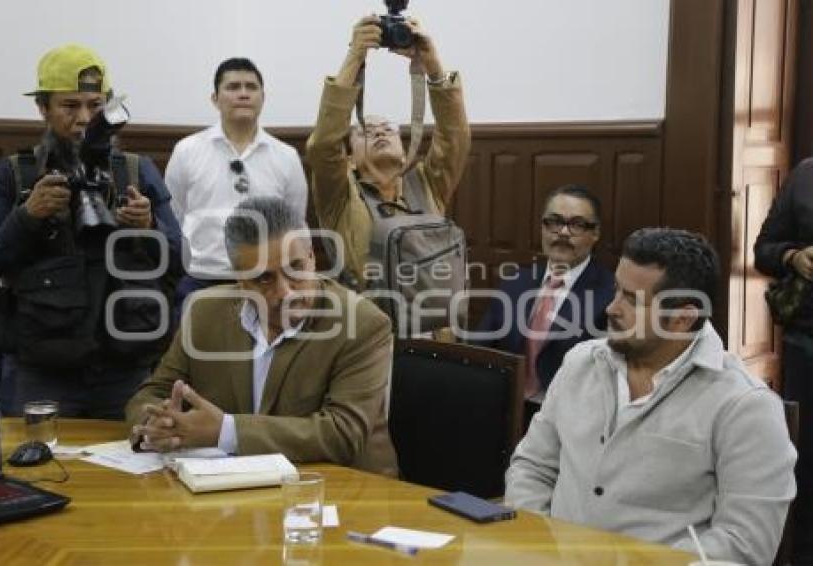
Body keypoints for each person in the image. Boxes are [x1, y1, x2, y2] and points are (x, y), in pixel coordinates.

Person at [505, 227, 796, 566]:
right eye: (617, 290)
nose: (611, 308)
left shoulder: (745, 406)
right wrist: (541, 546)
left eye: (632, 300)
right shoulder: (580, 363)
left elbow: (744, 544)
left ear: (682, 318)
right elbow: (532, 468)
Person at [0, 44, 182, 419]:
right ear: (43, 108)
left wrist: (149, 227)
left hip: (125, 370)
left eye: (95, 105)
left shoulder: (136, 171)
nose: (84, 118)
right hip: (40, 372)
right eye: (69, 105)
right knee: (33, 458)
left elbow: (180, 261)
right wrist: (27, 217)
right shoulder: (14, 173)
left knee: (133, 458)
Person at [126, 197, 397, 476]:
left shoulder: (362, 324)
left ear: (312, 258)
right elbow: (152, 393)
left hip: (342, 489)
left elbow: (342, 433)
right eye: (264, 279)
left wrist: (226, 432)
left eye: (295, 269)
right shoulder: (205, 312)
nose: (285, 292)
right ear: (241, 281)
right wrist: (159, 424)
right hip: (231, 487)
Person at [306, 15, 471, 291]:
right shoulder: (340, 195)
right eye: (366, 131)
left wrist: (433, 67)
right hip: (367, 315)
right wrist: (355, 56)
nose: (380, 132)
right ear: (350, 160)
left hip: (430, 315)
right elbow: (323, 146)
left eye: (388, 129)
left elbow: (455, 139)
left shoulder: (427, 185)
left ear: (406, 154)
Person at [165, 58, 308, 321]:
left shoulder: (286, 156)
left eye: (251, 87)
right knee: (195, 347)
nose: (243, 94)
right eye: (233, 87)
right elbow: (173, 217)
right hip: (201, 279)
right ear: (215, 98)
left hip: (267, 282)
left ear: (263, 97)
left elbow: (295, 224)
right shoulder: (187, 151)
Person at [475, 184, 614, 429]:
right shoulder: (516, 282)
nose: (563, 232)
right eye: (554, 222)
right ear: (542, 227)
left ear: (595, 233)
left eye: (577, 224)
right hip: (506, 412)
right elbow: (480, 348)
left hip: (570, 421)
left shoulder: (610, 293)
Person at [754, 158, 813, 565]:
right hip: (806, 344)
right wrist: (794, 257)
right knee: (803, 462)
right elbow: (763, 251)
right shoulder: (806, 176)